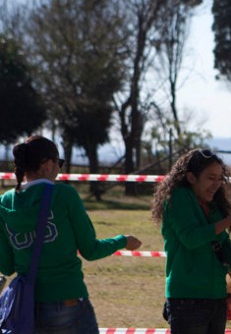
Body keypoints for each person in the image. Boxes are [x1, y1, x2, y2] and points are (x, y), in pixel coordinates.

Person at [0, 135, 142, 334]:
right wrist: (122, 241)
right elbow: (91, 250)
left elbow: (6, 265)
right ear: (47, 164)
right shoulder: (64, 195)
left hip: (26, 309)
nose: (59, 169)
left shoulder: (3, 204)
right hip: (69, 301)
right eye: (58, 163)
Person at [152, 148, 231, 334]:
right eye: (211, 178)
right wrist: (230, 220)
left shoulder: (214, 205)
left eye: (220, 178)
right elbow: (191, 238)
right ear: (191, 177)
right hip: (187, 299)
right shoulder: (178, 198)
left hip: (217, 297)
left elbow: (217, 248)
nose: (217, 184)